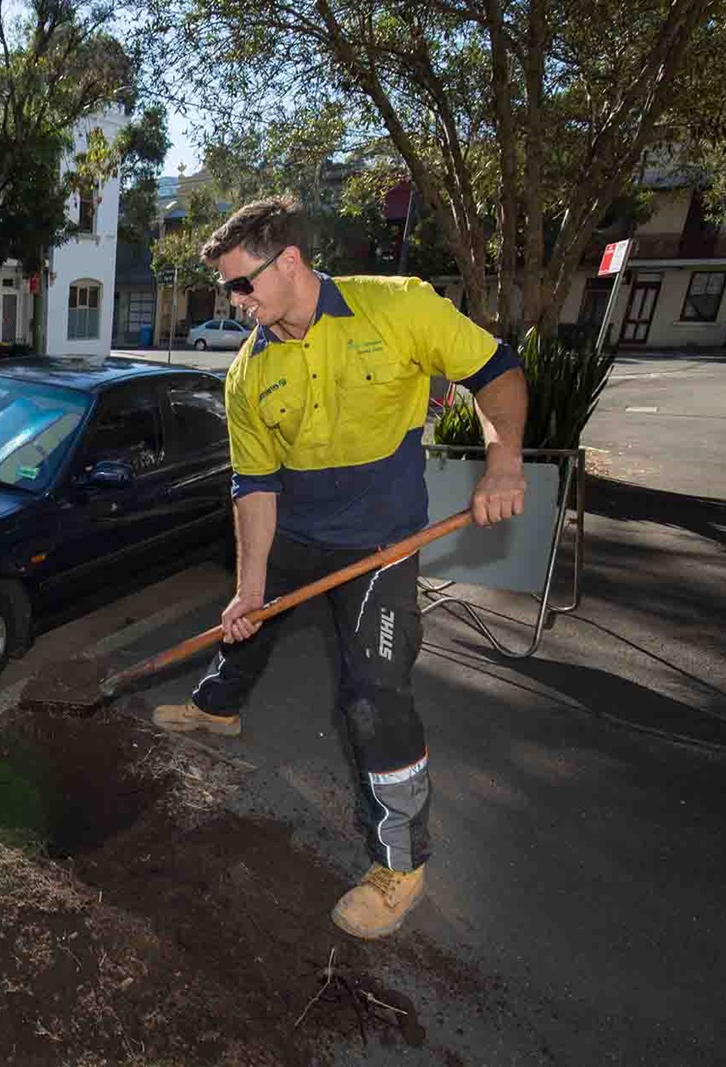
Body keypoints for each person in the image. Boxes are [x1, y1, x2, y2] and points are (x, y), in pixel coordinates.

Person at [151, 196, 528, 940]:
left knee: (374, 697)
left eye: (242, 284)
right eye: (227, 290)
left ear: (289, 260)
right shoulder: (248, 375)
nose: (235, 302)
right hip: (295, 526)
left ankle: (401, 863)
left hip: (380, 543)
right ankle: (217, 708)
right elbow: (253, 486)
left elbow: (496, 371)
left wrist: (504, 459)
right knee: (247, 622)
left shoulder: (398, 309)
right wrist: (250, 588)